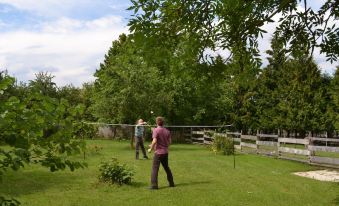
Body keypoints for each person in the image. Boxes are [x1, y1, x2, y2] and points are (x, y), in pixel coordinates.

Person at [148, 117, 175, 189]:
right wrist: (163, 145)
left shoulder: (156, 130)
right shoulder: (167, 131)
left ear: (157, 123)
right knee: (166, 168)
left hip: (158, 153)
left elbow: (154, 141)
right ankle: (171, 183)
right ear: (163, 123)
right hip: (165, 152)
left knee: (155, 168)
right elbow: (170, 142)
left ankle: (154, 185)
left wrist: (151, 148)